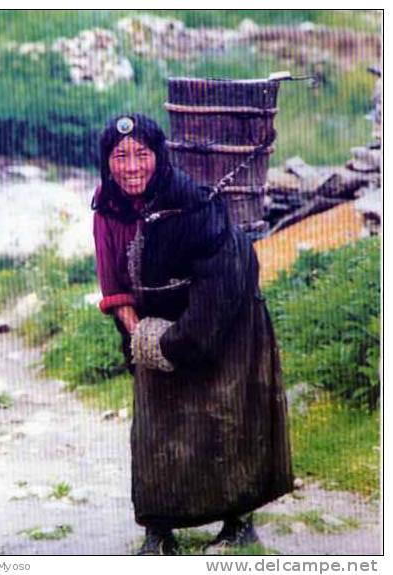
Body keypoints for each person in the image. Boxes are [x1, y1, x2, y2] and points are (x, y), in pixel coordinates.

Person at [92, 113, 293, 555]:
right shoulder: (106, 207)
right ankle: (160, 530)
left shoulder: (190, 203)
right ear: (106, 164)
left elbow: (219, 273)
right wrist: (143, 336)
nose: (131, 166)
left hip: (224, 313)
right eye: (119, 156)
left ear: (158, 156)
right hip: (154, 321)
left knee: (227, 415)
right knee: (156, 425)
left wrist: (187, 339)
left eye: (141, 154)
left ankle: (239, 523)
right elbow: (113, 283)